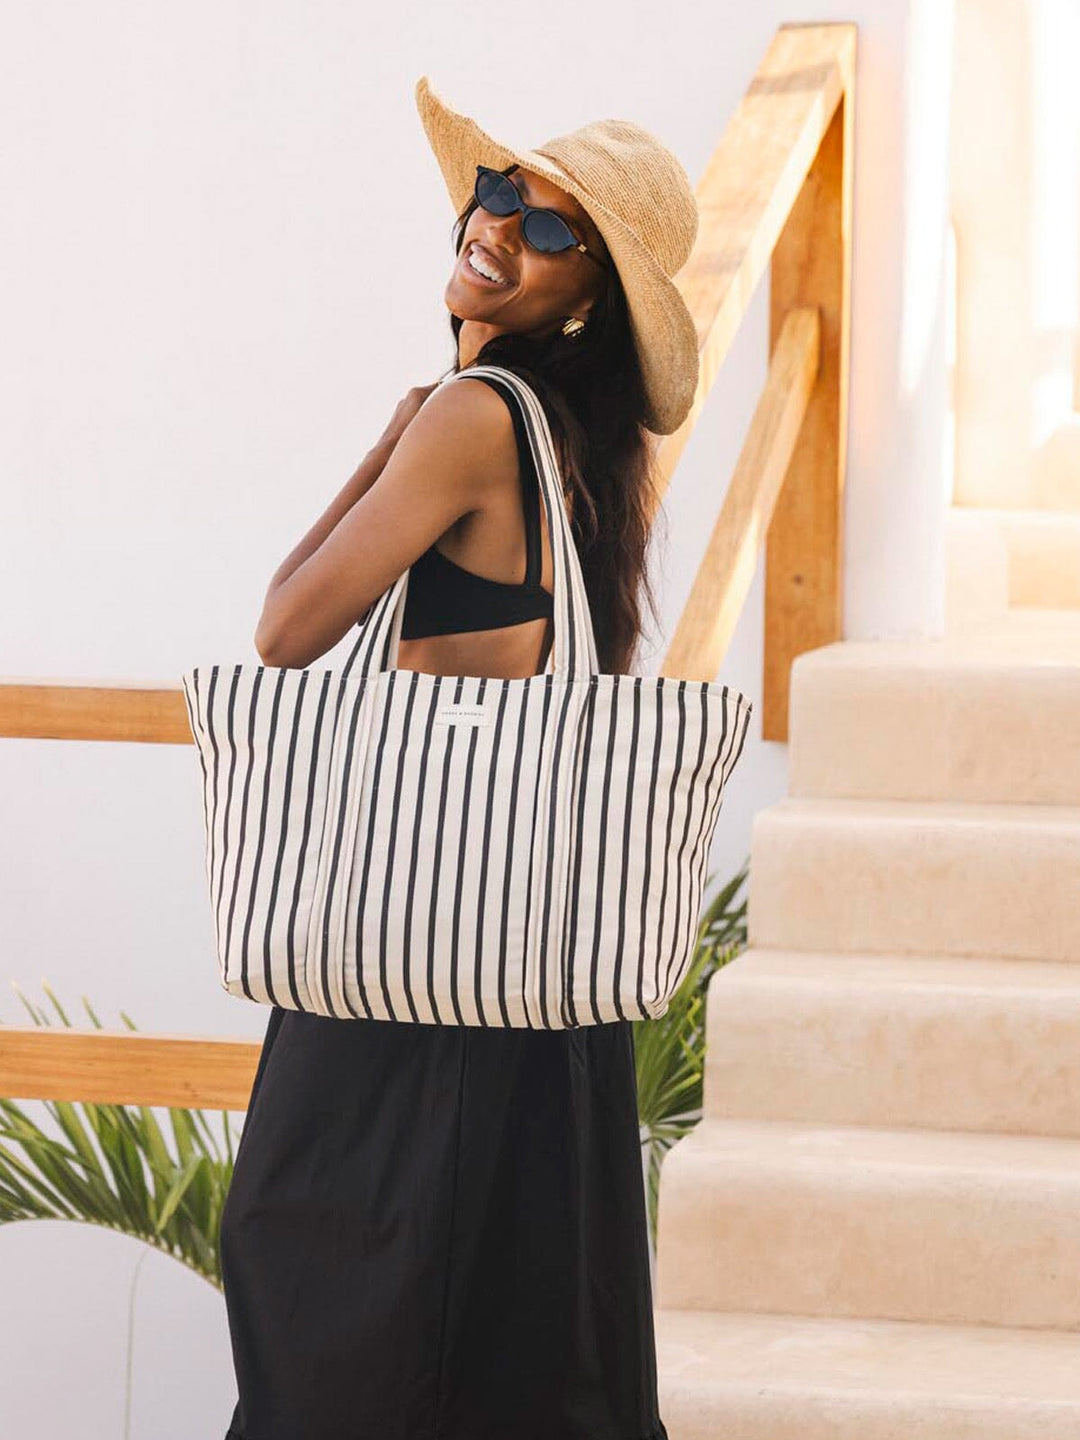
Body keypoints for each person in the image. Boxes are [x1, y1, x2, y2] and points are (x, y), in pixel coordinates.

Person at [219, 73, 701, 1440]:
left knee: (346, 1328)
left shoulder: (472, 419)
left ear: (588, 299)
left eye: (549, 232)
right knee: (519, 1358)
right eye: (500, 194)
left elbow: (288, 626)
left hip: (404, 960)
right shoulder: (580, 450)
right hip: (527, 973)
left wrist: (395, 434)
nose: (499, 226)